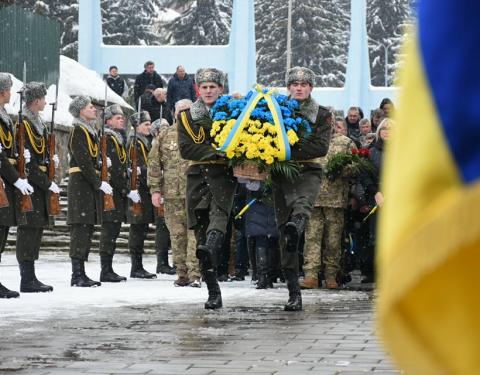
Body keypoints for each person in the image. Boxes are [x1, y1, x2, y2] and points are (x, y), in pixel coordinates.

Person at [272, 67, 332, 311]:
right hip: (281, 174)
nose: (299, 87)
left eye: (304, 84)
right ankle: (293, 292)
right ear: (288, 87)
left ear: (311, 88)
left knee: (303, 204)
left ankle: (297, 224)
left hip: (307, 170)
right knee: (284, 235)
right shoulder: (275, 111)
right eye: (294, 84)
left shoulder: (322, 114)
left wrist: (286, 149)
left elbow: (320, 147)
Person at [178, 68, 237, 309]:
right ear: (198, 90)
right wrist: (217, 151)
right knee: (201, 229)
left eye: (213, 86)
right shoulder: (186, 116)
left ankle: (210, 248)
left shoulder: (233, 113)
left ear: (221, 89)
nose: (209, 90)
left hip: (223, 176)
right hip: (197, 177)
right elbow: (186, 149)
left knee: (218, 219)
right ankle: (213, 290)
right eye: (204, 87)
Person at [148, 99, 202, 286]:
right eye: (180, 110)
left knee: (195, 235)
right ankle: (182, 274)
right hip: (172, 195)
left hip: (196, 194)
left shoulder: (200, 132)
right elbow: (154, 164)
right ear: (174, 113)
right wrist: (155, 190)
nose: (184, 113)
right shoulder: (165, 135)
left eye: (188, 109)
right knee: (177, 236)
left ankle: (195, 274)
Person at [301, 118, 357, 290]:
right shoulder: (310, 142)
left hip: (336, 199)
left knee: (333, 240)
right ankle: (311, 275)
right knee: (311, 238)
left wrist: (341, 170)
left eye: (329, 122)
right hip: (313, 198)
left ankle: (331, 275)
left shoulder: (346, 143)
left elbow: (356, 167)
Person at [16, 82, 60, 293]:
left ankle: (31, 276)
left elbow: (40, 154)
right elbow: (28, 161)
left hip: (39, 183)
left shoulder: (38, 123)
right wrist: (46, 182)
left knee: (36, 231)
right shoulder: (24, 124)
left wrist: (52, 163)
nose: (45, 101)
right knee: (28, 231)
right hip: (31, 184)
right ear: (35, 101)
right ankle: (26, 278)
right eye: (42, 98)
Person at [67, 96, 113, 287]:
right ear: (80, 111)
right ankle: (77, 274)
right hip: (81, 185)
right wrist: (98, 182)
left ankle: (81, 272)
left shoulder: (89, 131)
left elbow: (91, 159)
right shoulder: (78, 130)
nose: (94, 110)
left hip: (87, 186)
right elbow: (83, 161)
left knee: (87, 227)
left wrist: (102, 164)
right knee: (80, 227)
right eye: (90, 107)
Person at [0, 73, 34, 298]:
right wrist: (16, 178)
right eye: (9, 90)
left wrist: (20, 156)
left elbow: (6, 150)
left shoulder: (4, 116)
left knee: (2, 233)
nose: (11, 94)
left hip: (6, 179)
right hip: (4, 178)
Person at [99, 104, 140, 282]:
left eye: (122, 117)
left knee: (113, 230)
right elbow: (114, 169)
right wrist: (125, 190)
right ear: (108, 121)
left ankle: (108, 268)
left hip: (117, 192)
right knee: (109, 231)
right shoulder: (108, 138)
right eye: (117, 117)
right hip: (112, 192)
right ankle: (105, 270)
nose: (121, 119)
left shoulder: (118, 138)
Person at [127, 111, 156, 279]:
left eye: (149, 123)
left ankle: (138, 266)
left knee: (141, 228)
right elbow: (135, 166)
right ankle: (136, 267)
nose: (149, 126)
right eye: (146, 124)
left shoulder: (144, 141)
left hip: (144, 189)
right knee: (137, 228)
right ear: (137, 126)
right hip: (138, 189)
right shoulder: (135, 143)